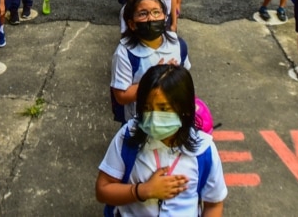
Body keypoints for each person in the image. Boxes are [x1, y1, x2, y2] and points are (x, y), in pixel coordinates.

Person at [97, 64, 227, 216]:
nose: (153, 117)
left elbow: (213, 205)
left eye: (164, 109)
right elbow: (103, 190)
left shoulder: (204, 150)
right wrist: (142, 191)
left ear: (184, 108)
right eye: (147, 107)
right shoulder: (129, 135)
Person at [110, 0, 192, 123]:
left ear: (165, 17)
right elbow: (121, 96)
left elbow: (184, 80)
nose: (151, 18)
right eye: (143, 14)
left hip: (171, 116)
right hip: (140, 120)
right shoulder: (125, 53)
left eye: (156, 12)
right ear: (132, 24)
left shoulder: (178, 45)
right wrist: (156, 79)